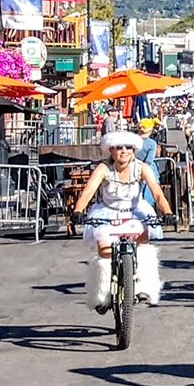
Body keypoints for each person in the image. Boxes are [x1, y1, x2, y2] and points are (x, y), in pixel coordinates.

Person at [72, 131, 176, 311]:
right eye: (119, 148)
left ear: (135, 150)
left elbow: (157, 192)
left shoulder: (142, 168)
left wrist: (167, 211)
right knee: (104, 251)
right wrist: (78, 210)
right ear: (111, 150)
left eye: (129, 148)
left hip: (135, 211)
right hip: (108, 211)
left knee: (143, 245)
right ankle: (102, 294)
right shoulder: (103, 168)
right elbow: (88, 191)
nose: (124, 151)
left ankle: (144, 288)